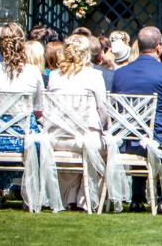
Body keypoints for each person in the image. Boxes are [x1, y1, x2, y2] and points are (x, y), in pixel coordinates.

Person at [111, 27, 162, 214]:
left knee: (140, 134)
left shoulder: (120, 73)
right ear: (159, 48)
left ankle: (137, 198)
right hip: (158, 138)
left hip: (126, 139)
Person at [0, 23, 44, 205]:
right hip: (24, 139)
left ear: (0, 46)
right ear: (21, 44)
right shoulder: (33, 73)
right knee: (38, 138)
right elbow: (39, 110)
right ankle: (27, 192)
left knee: (4, 130)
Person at [45, 35, 108, 211]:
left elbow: (50, 108)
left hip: (57, 138)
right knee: (105, 150)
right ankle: (85, 197)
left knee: (80, 148)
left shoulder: (54, 76)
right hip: (85, 138)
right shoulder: (95, 75)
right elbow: (102, 110)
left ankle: (68, 198)